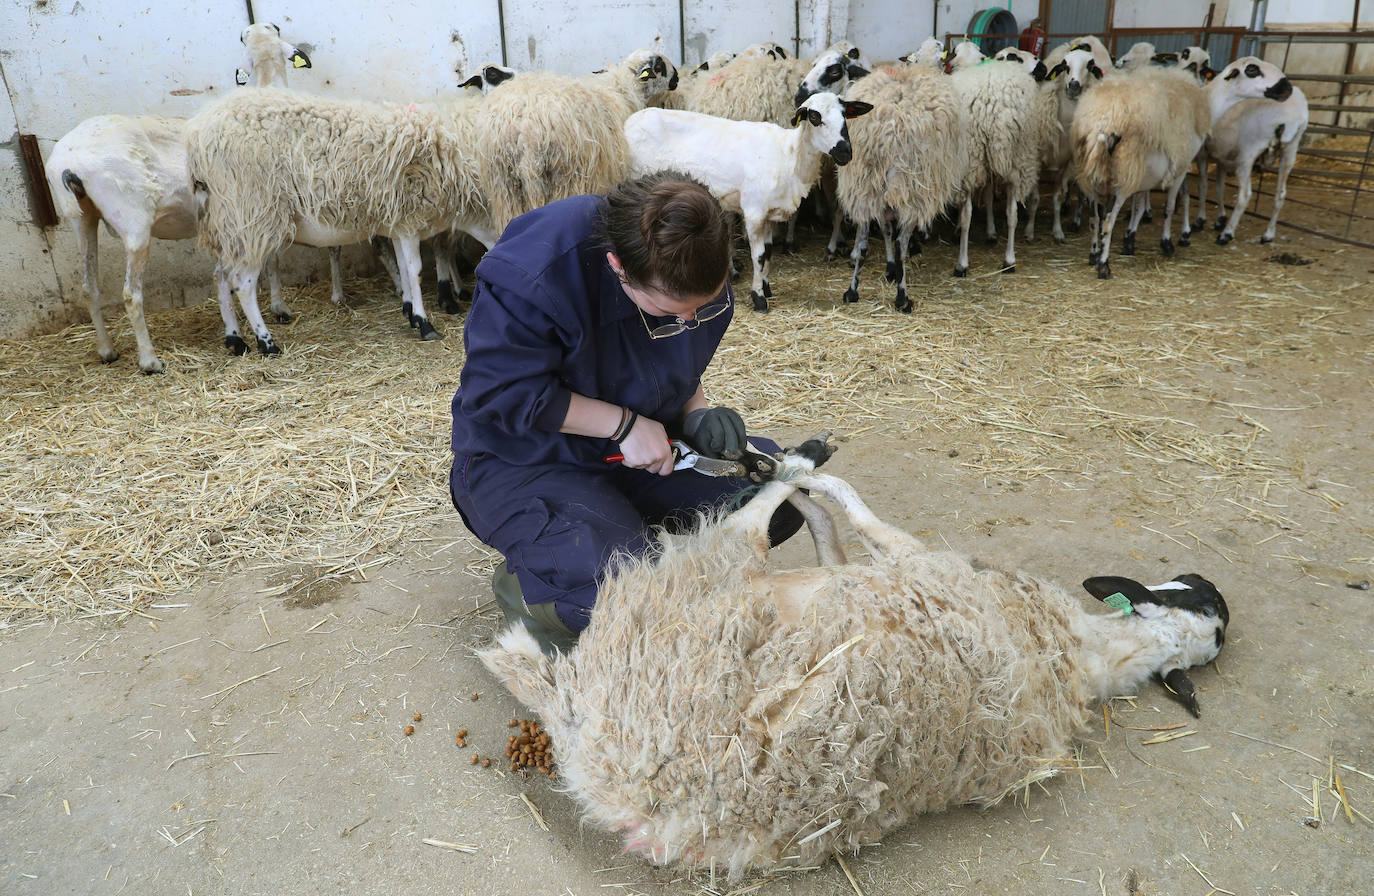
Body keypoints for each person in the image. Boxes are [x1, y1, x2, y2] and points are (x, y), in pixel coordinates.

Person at [449, 170, 805, 652]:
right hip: (526, 461)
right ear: (619, 268)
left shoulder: (694, 260)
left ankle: (623, 532)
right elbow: (500, 395)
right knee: (623, 592)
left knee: (776, 495)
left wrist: (697, 412)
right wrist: (623, 425)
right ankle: (535, 590)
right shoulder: (538, 268)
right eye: (670, 309)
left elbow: (674, 357)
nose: (689, 321)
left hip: (635, 455)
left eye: (701, 307)